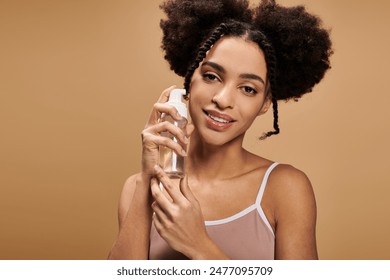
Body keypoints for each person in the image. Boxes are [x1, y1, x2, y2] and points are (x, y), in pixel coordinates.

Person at [108, 0, 332, 260]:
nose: (224, 100)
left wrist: (198, 245)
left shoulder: (285, 188)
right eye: (212, 76)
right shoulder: (137, 187)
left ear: (265, 104)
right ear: (189, 80)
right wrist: (148, 176)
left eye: (248, 89)